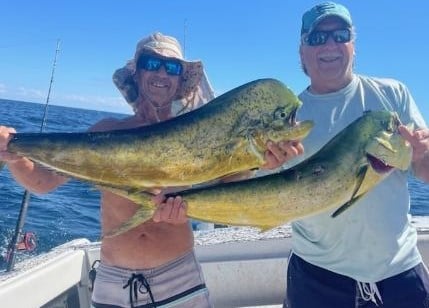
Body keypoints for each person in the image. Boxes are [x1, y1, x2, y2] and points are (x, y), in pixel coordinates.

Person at [0, 32, 302, 307]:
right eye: (152, 63)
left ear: (180, 81)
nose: (161, 72)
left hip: (179, 278)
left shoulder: (202, 136)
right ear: (137, 72)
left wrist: (261, 163)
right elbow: (41, 181)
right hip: (112, 284)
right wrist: (12, 153)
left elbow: (230, 184)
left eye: (171, 67)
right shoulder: (107, 132)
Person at [283, 2, 429, 308]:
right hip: (316, 276)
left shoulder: (392, 95)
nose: (330, 44)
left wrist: (424, 155)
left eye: (340, 34)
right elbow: (254, 184)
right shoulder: (288, 119)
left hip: (399, 271)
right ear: (302, 52)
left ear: (353, 43)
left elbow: (425, 170)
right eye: (317, 38)